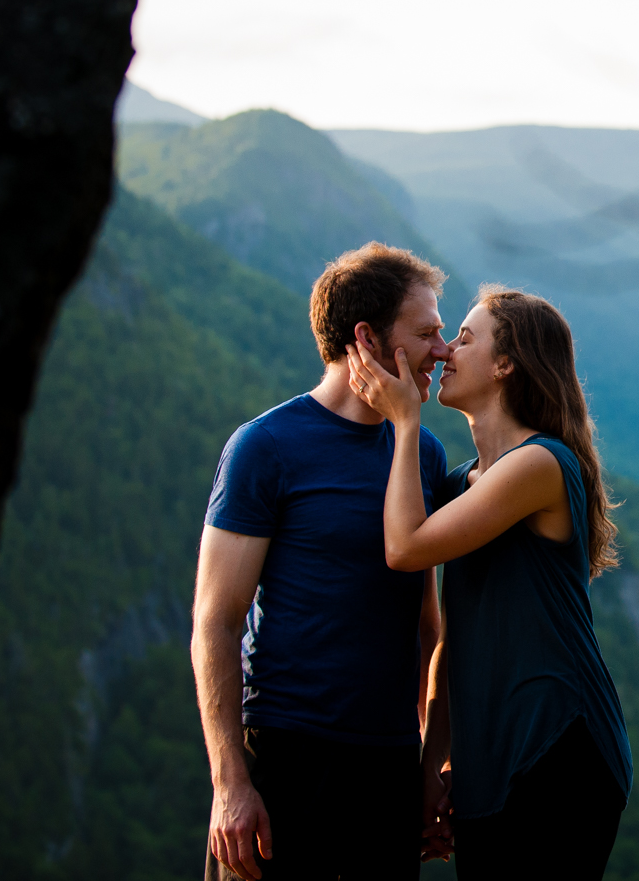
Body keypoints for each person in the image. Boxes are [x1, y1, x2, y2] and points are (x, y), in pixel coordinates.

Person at [347, 284, 632, 881]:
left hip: (557, 742)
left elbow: (405, 547)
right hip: (489, 759)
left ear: (506, 364)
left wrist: (405, 420)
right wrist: (433, 769)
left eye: (465, 339)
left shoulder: (539, 464)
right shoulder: (461, 485)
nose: (446, 350)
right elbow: (454, 642)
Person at [192, 242, 453, 881]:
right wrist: (231, 784)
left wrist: (427, 766)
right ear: (366, 338)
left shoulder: (423, 453)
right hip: (284, 758)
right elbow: (215, 623)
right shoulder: (266, 447)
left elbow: (426, 624)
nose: (442, 351)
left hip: (387, 767)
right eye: (426, 333)